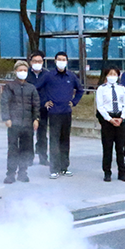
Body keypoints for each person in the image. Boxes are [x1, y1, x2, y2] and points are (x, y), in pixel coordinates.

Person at [37, 51, 83, 179]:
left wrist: (74, 102)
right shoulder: (49, 76)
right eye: (59, 59)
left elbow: (80, 90)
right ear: (55, 61)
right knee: (54, 141)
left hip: (66, 112)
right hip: (54, 113)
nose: (61, 61)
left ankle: (64, 167)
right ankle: (54, 168)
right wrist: (44, 101)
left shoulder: (71, 76)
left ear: (67, 61)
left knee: (65, 140)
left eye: (64, 59)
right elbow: (36, 88)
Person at [1, 61, 40, 184]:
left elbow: (36, 104)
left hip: (27, 124)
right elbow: (4, 102)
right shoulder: (9, 87)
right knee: (13, 149)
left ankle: (23, 172)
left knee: (26, 149)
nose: (22, 72)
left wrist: (36, 118)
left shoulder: (31, 88)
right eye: (20, 70)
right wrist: (6, 118)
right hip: (14, 123)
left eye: (25, 70)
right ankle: (10, 174)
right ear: (15, 71)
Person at [96, 65, 125, 182]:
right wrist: (109, 119)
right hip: (107, 120)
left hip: (120, 118)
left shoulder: (122, 88)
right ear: (106, 75)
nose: (112, 76)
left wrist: (122, 117)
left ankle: (122, 172)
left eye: (114, 74)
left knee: (120, 148)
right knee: (107, 147)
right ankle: (107, 172)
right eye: (110, 74)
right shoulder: (101, 89)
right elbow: (100, 106)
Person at [26, 51, 50, 166]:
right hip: (28, 109)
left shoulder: (47, 74)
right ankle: (28, 158)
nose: (37, 63)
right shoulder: (26, 74)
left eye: (39, 61)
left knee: (42, 135)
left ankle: (43, 157)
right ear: (30, 62)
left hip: (42, 109)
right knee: (28, 135)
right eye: (35, 61)